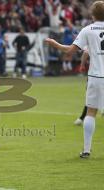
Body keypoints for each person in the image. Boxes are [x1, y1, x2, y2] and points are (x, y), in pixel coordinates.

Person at [45, 1, 104, 158]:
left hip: (96, 77)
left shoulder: (88, 30)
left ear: (92, 14)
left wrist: (54, 44)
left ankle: (86, 150)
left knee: (91, 112)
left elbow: (70, 50)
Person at [74, 50, 89, 126]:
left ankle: (82, 118)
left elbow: (86, 52)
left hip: (95, 75)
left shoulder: (93, 39)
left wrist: (82, 65)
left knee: (90, 99)